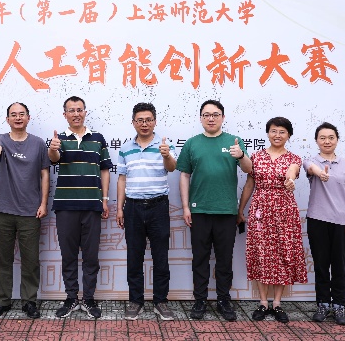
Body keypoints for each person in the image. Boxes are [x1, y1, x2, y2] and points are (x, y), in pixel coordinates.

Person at [177, 99, 252, 321]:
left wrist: (241, 155)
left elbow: (249, 170)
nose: (211, 118)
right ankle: (200, 300)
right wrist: (186, 207)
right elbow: (184, 175)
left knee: (224, 259)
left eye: (215, 114)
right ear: (201, 118)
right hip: (199, 210)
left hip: (226, 211)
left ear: (223, 117)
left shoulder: (234, 141)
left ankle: (223, 300)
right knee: (199, 258)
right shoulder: (192, 143)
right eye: (207, 115)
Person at [237, 117, 307, 324]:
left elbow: (292, 172)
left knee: (283, 253)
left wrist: (290, 180)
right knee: (262, 253)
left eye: (282, 132)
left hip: (285, 211)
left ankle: (277, 303)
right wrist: (240, 210)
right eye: (274, 131)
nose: (277, 135)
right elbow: (249, 185)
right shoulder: (256, 157)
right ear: (268, 133)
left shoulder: (294, 158)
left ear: (289, 135)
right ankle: (262, 302)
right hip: (260, 210)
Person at [48, 96, 112, 319]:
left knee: (91, 256)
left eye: (79, 110)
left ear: (85, 112)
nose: (76, 114)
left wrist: (104, 199)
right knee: (68, 255)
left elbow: (105, 170)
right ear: (64, 114)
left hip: (92, 205)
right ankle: (71, 297)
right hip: (65, 206)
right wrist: (53, 148)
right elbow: (54, 158)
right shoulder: (58, 140)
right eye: (71, 110)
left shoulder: (98, 139)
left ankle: (89, 298)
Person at [0, 103, 50, 320]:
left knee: (30, 260)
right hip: (3, 210)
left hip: (30, 211)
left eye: (22, 114)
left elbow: (44, 174)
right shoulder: (0, 139)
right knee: (3, 259)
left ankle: (29, 301)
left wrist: (43, 203)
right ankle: (2, 301)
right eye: (13, 115)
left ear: (28, 117)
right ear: (7, 120)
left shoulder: (38, 143)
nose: (18, 118)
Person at [116, 103, 177, 321]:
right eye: (140, 120)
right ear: (133, 122)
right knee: (134, 256)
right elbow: (122, 179)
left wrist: (166, 155)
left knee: (161, 256)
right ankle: (136, 301)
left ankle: (161, 301)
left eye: (148, 120)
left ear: (155, 121)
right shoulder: (125, 148)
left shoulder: (165, 145)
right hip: (132, 207)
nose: (144, 124)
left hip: (158, 206)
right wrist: (119, 208)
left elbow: (172, 168)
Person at [304, 122, 345, 325]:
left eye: (331, 137)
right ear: (316, 141)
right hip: (317, 220)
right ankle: (322, 304)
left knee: (339, 266)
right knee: (321, 265)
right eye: (322, 138)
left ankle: (339, 306)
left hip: (342, 222)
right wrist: (321, 173)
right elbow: (311, 169)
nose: (327, 141)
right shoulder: (311, 161)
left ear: (337, 139)